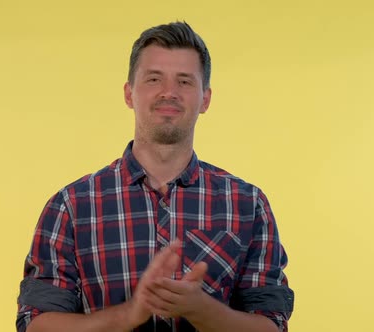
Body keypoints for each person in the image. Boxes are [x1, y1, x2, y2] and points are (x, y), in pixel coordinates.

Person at [16, 21, 294, 332]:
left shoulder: (247, 204)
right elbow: (37, 324)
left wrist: (201, 310)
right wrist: (130, 313)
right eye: (153, 79)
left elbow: (271, 326)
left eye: (185, 82)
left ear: (205, 99)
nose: (169, 93)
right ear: (128, 93)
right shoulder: (71, 206)